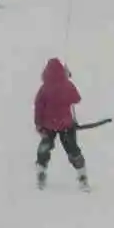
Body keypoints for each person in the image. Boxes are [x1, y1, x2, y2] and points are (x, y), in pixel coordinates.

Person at [35, 58, 89, 190]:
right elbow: (77, 99)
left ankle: (41, 172)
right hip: (66, 125)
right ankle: (82, 176)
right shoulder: (67, 85)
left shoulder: (44, 88)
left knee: (44, 148)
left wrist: (38, 124)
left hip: (48, 126)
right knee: (73, 150)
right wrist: (67, 77)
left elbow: (38, 107)